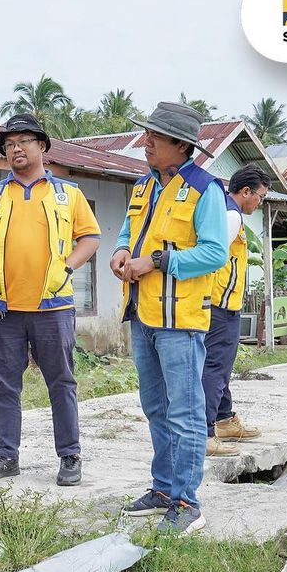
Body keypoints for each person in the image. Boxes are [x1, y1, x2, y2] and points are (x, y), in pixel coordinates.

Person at [112, 102, 229, 536]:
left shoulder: (206, 190)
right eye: (147, 135)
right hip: (143, 314)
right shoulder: (144, 186)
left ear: (181, 146)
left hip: (180, 319)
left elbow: (214, 253)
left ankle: (186, 502)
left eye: (155, 138)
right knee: (155, 407)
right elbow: (129, 231)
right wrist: (123, 252)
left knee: (185, 413)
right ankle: (163, 489)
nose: (146, 143)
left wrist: (157, 262)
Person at [0, 113, 100, 488]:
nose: (16, 148)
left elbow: (90, 238)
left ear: (42, 146)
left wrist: (67, 268)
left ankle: (70, 455)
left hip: (53, 306)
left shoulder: (68, 194)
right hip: (3, 308)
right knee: (3, 384)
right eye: (9, 144)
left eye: (24, 141)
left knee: (61, 381)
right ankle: (6, 455)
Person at [203, 164, 270, 453]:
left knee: (222, 365)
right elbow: (211, 255)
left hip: (223, 302)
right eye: (260, 197)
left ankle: (224, 418)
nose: (260, 202)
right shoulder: (231, 217)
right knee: (215, 367)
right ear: (245, 191)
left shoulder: (228, 212)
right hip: (219, 304)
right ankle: (205, 433)